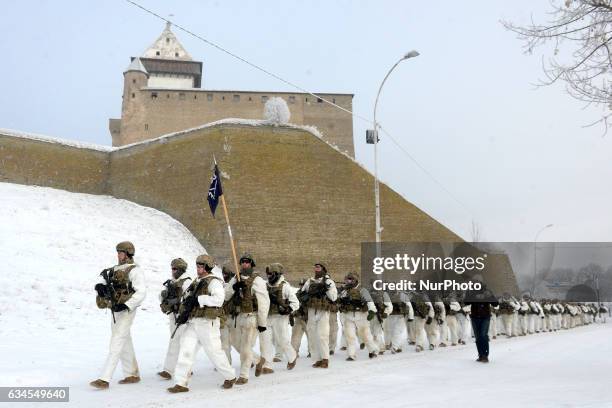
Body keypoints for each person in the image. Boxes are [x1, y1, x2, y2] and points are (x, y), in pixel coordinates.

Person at [167, 255, 237, 392]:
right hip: (193, 322)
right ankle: (181, 382)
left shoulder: (214, 282)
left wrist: (200, 299)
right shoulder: (196, 281)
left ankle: (230, 376)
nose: (198, 268)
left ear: (207, 267)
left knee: (214, 353)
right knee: (186, 351)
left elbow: (219, 300)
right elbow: (188, 298)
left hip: (208, 323)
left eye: (201, 266)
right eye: (197, 266)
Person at [90, 241, 146, 389]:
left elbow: (141, 292)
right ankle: (132, 374)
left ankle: (104, 378)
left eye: (121, 252)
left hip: (127, 310)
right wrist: (100, 287)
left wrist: (127, 305)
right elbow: (102, 280)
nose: (118, 255)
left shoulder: (135, 270)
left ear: (128, 253)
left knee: (117, 341)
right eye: (118, 252)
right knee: (124, 340)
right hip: (115, 309)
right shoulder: (113, 270)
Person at [224, 253, 270, 384]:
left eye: (247, 262)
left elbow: (263, 303)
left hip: (251, 317)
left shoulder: (258, 281)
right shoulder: (236, 278)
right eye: (242, 262)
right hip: (237, 317)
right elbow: (225, 296)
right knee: (235, 343)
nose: (244, 264)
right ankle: (257, 360)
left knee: (245, 347)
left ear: (251, 264)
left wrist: (262, 322)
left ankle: (244, 375)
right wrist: (234, 288)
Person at [260, 263, 300, 374]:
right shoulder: (265, 286)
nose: (268, 276)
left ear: (277, 274)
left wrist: (288, 309)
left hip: (280, 317)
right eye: (267, 274)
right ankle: (267, 365)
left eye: (271, 274)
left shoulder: (285, 286)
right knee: (265, 341)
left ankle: (292, 357)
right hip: (267, 317)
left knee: (282, 340)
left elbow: (296, 303)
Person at [157, 258, 193, 380]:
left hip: (183, 317)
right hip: (173, 315)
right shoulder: (172, 281)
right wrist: (164, 296)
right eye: (172, 268)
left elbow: (189, 299)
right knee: (174, 341)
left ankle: (176, 369)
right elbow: (163, 296)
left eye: (175, 268)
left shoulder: (187, 282)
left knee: (183, 343)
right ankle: (170, 370)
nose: (172, 271)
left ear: (181, 269)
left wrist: (178, 302)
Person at [299, 262, 338, 368]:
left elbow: (334, 297)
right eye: (315, 267)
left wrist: (325, 289)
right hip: (311, 311)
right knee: (312, 336)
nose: (316, 268)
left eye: (318, 267)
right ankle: (317, 359)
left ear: (323, 269)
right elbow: (302, 293)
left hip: (323, 311)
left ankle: (325, 358)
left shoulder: (328, 281)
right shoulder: (310, 281)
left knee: (322, 335)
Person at [337, 273, 379, 360]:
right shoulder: (344, 291)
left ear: (355, 280)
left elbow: (369, 301)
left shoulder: (362, 290)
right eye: (347, 279)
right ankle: (351, 354)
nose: (348, 281)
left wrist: (372, 311)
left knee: (365, 335)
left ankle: (373, 350)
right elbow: (338, 301)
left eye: (350, 279)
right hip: (348, 316)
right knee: (350, 336)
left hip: (361, 315)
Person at [464, 285, 499, 363]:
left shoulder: (487, 292)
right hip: (475, 317)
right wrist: (473, 296)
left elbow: (496, 304)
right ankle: (480, 354)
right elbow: (466, 302)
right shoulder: (471, 292)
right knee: (478, 337)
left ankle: (485, 355)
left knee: (483, 335)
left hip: (485, 317)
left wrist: (490, 296)